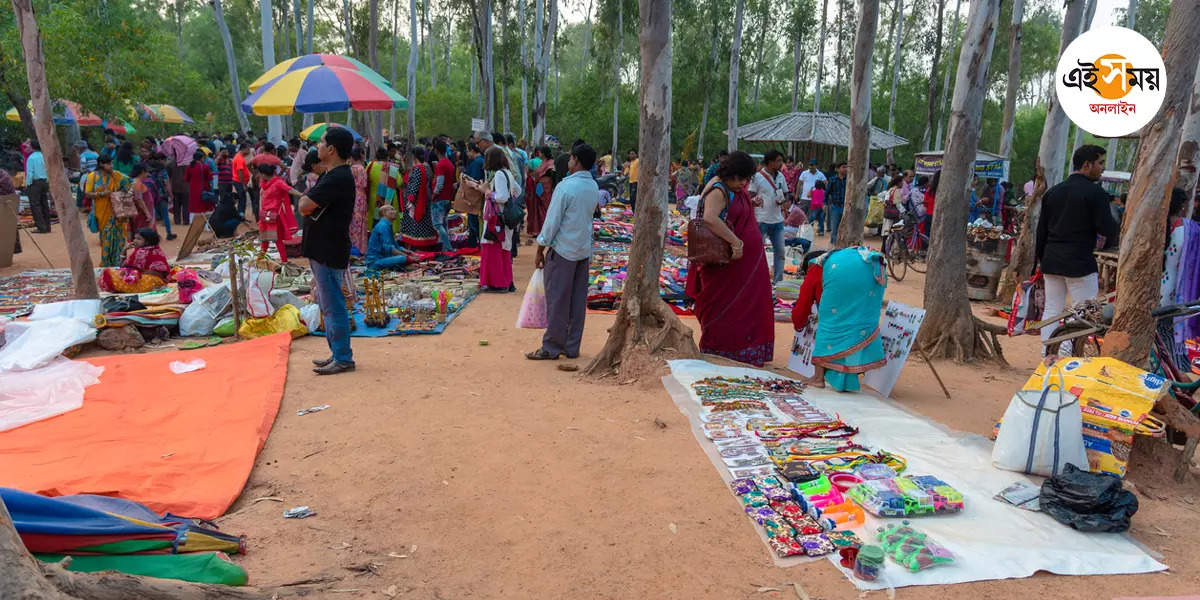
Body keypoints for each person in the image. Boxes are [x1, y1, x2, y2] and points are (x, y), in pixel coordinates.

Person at [684, 151, 774, 367]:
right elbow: (710, 218)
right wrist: (736, 242)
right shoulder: (717, 189)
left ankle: (746, 349)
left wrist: (750, 203)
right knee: (724, 307)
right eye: (741, 179)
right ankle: (722, 348)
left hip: (743, 266)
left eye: (746, 180)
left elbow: (730, 212)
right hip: (727, 265)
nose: (743, 183)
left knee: (750, 305)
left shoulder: (732, 189)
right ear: (731, 174)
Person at [1035, 144, 1120, 357]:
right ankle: (1068, 355)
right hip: (1079, 262)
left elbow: (1041, 231)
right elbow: (1107, 228)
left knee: (1052, 309)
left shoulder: (1053, 192)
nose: (1102, 168)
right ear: (1086, 165)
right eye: (1100, 163)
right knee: (1083, 313)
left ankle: (1049, 354)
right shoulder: (1095, 193)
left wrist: (1040, 260)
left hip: (1051, 260)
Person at [526, 143, 601, 360]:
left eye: (570, 158)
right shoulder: (593, 186)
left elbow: (551, 223)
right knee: (577, 302)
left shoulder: (566, 187)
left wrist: (541, 248)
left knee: (558, 300)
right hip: (582, 250)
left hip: (564, 250)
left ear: (575, 160)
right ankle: (571, 346)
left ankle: (551, 346)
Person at [298, 127, 357, 375]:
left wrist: (306, 202)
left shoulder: (337, 177)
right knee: (327, 303)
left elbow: (304, 205)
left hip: (328, 247)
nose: (317, 147)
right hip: (323, 246)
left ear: (331, 149)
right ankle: (337, 353)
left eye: (321, 143)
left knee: (333, 304)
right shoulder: (331, 175)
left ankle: (343, 357)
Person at [791, 245, 887, 392]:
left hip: (855, 272)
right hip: (875, 270)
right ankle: (849, 372)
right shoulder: (841, 258)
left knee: (829, 322)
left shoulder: (816, 267)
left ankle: (818, 378)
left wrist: (799, 323)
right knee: (855, 322)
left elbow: (804, 302)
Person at [465, 146, 519, 292]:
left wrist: (488, 192)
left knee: (493, 249)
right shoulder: (507, 173)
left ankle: (498, 283)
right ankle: (506, 282)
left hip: (496, 218)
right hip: (503, 217)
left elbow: (501, 197)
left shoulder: (500, 175)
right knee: (503, 250)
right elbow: (516, 191)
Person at [83, 156, 130, 267]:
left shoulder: (117, 175)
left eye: (111, 164)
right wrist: (102, 194)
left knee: (120, 238)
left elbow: (130, 183)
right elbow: (87, 194)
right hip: (102, 213)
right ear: (101, 164)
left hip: (118, 212)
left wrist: (121, 193)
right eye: (108, 164)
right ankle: (106, 263)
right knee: (106, 239)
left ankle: (121, 263)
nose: (111, 166)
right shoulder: (92, 177)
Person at [749, 150, 789, 283]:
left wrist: (783, 200)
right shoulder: (757, 177)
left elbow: (786, 193)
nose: (780, 163)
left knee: (780, 252)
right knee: (758, 253)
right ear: (770, 162)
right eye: (778, 161)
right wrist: (756, 201)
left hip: (777, 220)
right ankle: (757, 279)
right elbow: (750, 195)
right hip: (761, 220)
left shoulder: (781, 177)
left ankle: (778, 281)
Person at [98, 229, 171, 294]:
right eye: (135, 238)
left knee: (108, 273)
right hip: (158, 282)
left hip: (149, 281)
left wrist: (124, 250)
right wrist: (124, 250)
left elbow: (123, 266)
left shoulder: (141, 252)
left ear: (147, 241)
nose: (135, 241)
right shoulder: (156, 249)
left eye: (139, 239)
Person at [257, 163, 299, 262]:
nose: (259, 176)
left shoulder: (278, 182)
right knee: (265, 239)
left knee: (277, 240)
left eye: (260, 174)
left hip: (275, 216)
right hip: (265, 215)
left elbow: (290, 190)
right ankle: (259, 261)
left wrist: (302, 195)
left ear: (263, 174)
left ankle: (284, 261)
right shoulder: (264, 184)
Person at [399, 147, 439, 249]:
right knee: (424, 221)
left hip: (417, 201)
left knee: (416, 222)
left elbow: (415, 185)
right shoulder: (426, 167)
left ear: (414, 157)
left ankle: (417, 245)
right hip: (425, 198)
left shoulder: (417, 168)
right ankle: (425, 244)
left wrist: (410, 200)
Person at [366, 204, 410, 270]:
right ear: (384, 213)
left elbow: (396, 246)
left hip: (383, 258)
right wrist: (407, 256)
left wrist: (409, 252)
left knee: (404, 257)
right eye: (392, 209)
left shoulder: (387, 224)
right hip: (375, 262)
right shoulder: (383, 226)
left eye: (394, 209)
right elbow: (389, 248)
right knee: (402, 258)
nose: (395, 211)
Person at [525, 145, 556, 238]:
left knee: (545, 207)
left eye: (541, 152)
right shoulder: (543, 162)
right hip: (539, 186)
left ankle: (546, 230)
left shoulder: (550, 163)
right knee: (537, 208)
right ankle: (538, 230)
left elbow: (552, 176)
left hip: (546, 187)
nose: (539, 154)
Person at [431, 140, 456, 251]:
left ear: (436, 150)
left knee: (437, 224)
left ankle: (448, 247)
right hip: (447, 197)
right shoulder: (449, 163)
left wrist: (434, 195)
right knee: (444, 223)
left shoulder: (441, 165)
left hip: (439, 198)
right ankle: (446, 248)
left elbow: (440, 182)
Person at [366, 147, 401, 230]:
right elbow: (399, 183)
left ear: (376, 156)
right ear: (387, 156)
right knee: (389, 223)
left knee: (375, 223)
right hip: (390, 198)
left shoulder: (370, 165)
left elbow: (365, 179)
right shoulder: (392, 167)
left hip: (375, 200)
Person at [23, 141, 50, 233]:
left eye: (29, 146)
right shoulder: (44, 156)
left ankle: (41, 227)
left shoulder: (31, 158)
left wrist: (27, 184)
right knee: (44, 204)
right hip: (44, 182)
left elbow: (30, 173)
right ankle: (47, 226)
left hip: (35, 183)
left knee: (35, 205)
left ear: (32, 147)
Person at [463, 142, 486, 246]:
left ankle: (474, 244)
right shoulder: (479, 161)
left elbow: (474, 180)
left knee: (473, 221)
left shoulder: (477, 163)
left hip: (474, 196)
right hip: (478, 195)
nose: (467, 153)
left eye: (468, 151)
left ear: (472, 150)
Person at [348, 147, 369, 256]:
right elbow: (365, 184)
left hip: (353, 195)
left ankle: (353, 246)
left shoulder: (351, 169)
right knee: (361, 222)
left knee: (353, 222)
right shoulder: (362, 168)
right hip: (362, 196)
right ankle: (361, 247)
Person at [128, 164, 158, 235]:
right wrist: (147, 213)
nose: (148, 174)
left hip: (140, 212)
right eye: (146, 172)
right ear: (142, 172)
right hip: (142, 214)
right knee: (144, 233)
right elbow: (138, 199)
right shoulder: (137, 183)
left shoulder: (134, 182)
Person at [184, 150, 213, 223]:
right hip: (204, 189)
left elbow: (186, 179)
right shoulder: (205, 167)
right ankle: (206, 225)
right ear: (201, 158)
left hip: (193, 189)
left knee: (193, 206)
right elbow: (210, 178)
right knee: (205, 207)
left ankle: (192, 223)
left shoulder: (189, 166)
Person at [826, 162, 848, 244]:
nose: (846, 169)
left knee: (845, 229)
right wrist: (825, 204)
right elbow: (827, 192)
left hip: (846, 208)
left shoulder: (849, 180)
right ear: (838, 169)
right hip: (835, 206)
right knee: (834, 228)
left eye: (846, 167)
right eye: (843, 167)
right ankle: (833, 246)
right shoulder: (832, 180)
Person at [232, 143, 253, 219]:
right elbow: (240, 172)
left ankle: (241, 215)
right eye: (248, 149)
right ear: (243, 149)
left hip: (239, 181)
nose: (249, 151)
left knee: (242, 198)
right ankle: (240, 215)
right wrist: (244, 184)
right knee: (242, 199)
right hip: (239, 181)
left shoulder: (239, 157)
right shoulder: (239, 158)